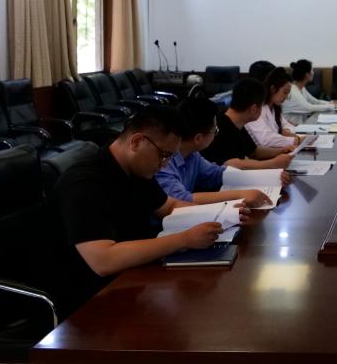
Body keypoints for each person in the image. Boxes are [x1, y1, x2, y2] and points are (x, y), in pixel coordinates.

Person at [48, 106, 258, 317]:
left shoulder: (135, 169)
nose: (165, 164)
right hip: (87, 299)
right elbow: (104, 259)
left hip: (132, 275)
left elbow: (169, 207)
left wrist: (223, 212)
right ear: (136, 142)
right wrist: (185, 239)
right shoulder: (84, 183)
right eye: (164, 155)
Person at [155, 97, 285, 204]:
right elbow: (179, 199)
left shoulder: (192, 155)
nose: (216, 134)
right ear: (198, 138)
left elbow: (217, 174)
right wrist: (239, 195)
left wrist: (270, 176)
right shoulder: (163, 160)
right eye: (215, 130)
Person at [202, 78, 296, 170]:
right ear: (254, 109)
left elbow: (254, 152)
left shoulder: (237, 123)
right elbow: (231, 164)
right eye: (261, 106)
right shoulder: (220, 127)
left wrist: (280, 151)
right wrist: (273, 164)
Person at [247, 67, 299, 148]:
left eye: (288, 93)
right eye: (285, 92)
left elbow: (286, 125)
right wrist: (296, 140)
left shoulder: (274, 107)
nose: (286, 97)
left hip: (274, 150)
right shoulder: (256, 108)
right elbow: (266, 139)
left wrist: (286, 130)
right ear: (273, 89)